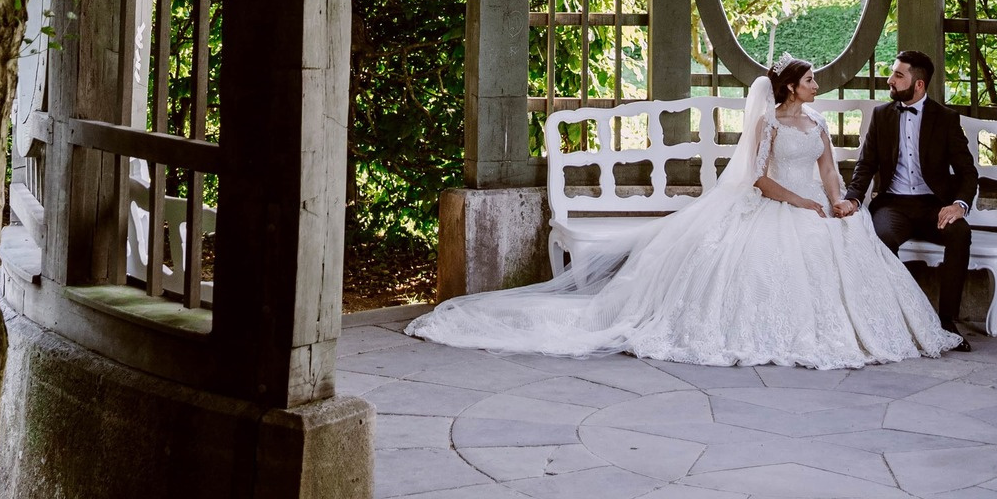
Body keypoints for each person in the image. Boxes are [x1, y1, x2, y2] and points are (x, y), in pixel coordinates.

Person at [405, 57, 966, 367]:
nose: (819, 84)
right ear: (792, 88)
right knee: (773, 255)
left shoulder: (817, 125)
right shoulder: (769, 124)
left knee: (852, 239)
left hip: (817, 206)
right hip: (778, 205)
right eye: (812, 79)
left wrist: (838, 200)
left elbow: (828, 172)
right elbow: (762, 180)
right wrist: (803, 206)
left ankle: (890, 327)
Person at [838, 49, 979, 337]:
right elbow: (866, 165)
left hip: (933, 206)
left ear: (919, 84)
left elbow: (967, 172)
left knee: (960, 233)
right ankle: (890, 321)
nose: (890, 80)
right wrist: (853, 198)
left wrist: (959, 205)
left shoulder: (946, 119)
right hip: (893, 205)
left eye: (898, 75)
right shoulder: (881, 116)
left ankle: (947, 322)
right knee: (880, 236)